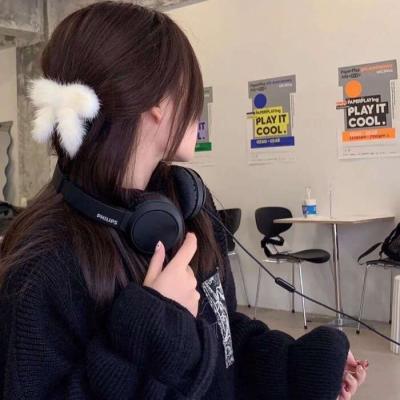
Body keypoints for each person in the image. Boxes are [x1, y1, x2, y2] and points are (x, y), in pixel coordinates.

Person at [0, 2, 367, 399]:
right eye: (190, 88)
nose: (198, 105)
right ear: (155, 103)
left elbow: (221, 339)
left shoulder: (187, 207)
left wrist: (299, 366)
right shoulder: (42, 266)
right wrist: (147, 331)